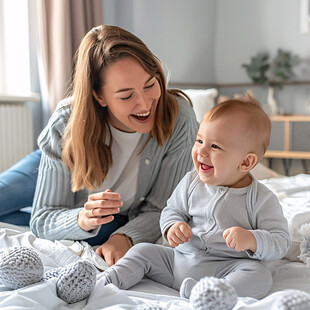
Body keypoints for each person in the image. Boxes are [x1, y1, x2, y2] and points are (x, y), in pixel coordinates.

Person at [25, 25, 198, 266]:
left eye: (150, 85)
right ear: (99, 96)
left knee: (106, 228)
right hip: (59, 162)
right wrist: (82, 219)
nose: (145, 104)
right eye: (126, 96)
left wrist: (124, 236)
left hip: (97, 206)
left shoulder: (179, 118)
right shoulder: (65, 122)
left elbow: (164, 207)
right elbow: (43, 218)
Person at [99, 92, 291, 309]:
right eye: (199, 140)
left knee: (260, 276)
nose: (201, 150)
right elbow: (171, 210)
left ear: (246, 162)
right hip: (178, 262)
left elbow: (280, 241)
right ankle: (105, 282)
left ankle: (209, 296)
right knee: (143, 251)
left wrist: (252, 239)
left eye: (215, 146)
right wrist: (173, 226)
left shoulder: (261, 199)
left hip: (227, 268)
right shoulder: (192, 181)